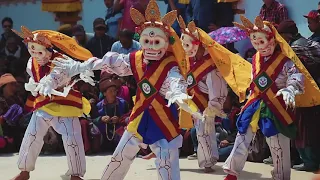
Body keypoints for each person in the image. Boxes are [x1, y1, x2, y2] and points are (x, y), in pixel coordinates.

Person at [51, 1, 202, 179]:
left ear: (165, 43)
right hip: (139, 117)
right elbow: (109, 63)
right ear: (141, 41)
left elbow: (175, 81)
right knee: (120, 157)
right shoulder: (136, 59)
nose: (151, 46)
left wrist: (178, 94)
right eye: (147, 41)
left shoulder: (170, 66)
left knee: (166, 162)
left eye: (156, 42)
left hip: (164, 121)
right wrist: (79, 66)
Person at [223, 15, 320, 180]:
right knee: (242, 136)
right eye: (255, 42)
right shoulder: (255, 59)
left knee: (277, 144)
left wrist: (290, 89)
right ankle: (232, 172)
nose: (260, 46)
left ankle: (281, 176)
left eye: (262, 41)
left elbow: (296, 77)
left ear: (273, 39)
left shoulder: (285, 59)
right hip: (255, 103)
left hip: (276, 104)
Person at [11, 26, 94, 180]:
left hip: (66, 104)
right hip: (44, 105)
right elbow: (33, 76)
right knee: (32, 135)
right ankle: (24, 171)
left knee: (72, 138)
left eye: (39, 52)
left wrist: (47, 83)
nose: (36, 55)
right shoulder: (31, 61)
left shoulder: (62, 61)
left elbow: (55, 77)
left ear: (48, 49)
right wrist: (32, 85)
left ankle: (76, 174)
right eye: (32, 51)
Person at [177, 16, 251, 172]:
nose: (186, 48)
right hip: (194, 102)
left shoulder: (211, 65)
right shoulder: (190, 62)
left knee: (205, 131)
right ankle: (207, 160)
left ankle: (208, 162)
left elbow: (217, 90)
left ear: (198, 43)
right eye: (183, 44)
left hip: (208, 104)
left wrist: (212, 107)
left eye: (188, 44)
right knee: (200, 133)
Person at [278, 20, 320, 172]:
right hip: (313, 91)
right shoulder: (309, 42)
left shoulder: (295, 48)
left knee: (304, 129)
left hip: (304, 93)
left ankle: (309, 162)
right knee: (310, 128)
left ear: (287, 35)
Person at [92, 74, 130, 151]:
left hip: (118, 130)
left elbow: (129, 117)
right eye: (111, 91)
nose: (114, 93)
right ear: (105, 93)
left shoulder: (123, 103)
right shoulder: (99, 106)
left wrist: (119, 119)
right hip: (104, 132)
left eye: (115, 91)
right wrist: (101, 119)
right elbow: (92, 119)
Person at [0, 74, 25, 153]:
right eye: (12, 84)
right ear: (5, 86)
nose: (15, 87)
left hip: (17, 128)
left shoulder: (17, 99)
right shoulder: (1, 100)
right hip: (4, 130)